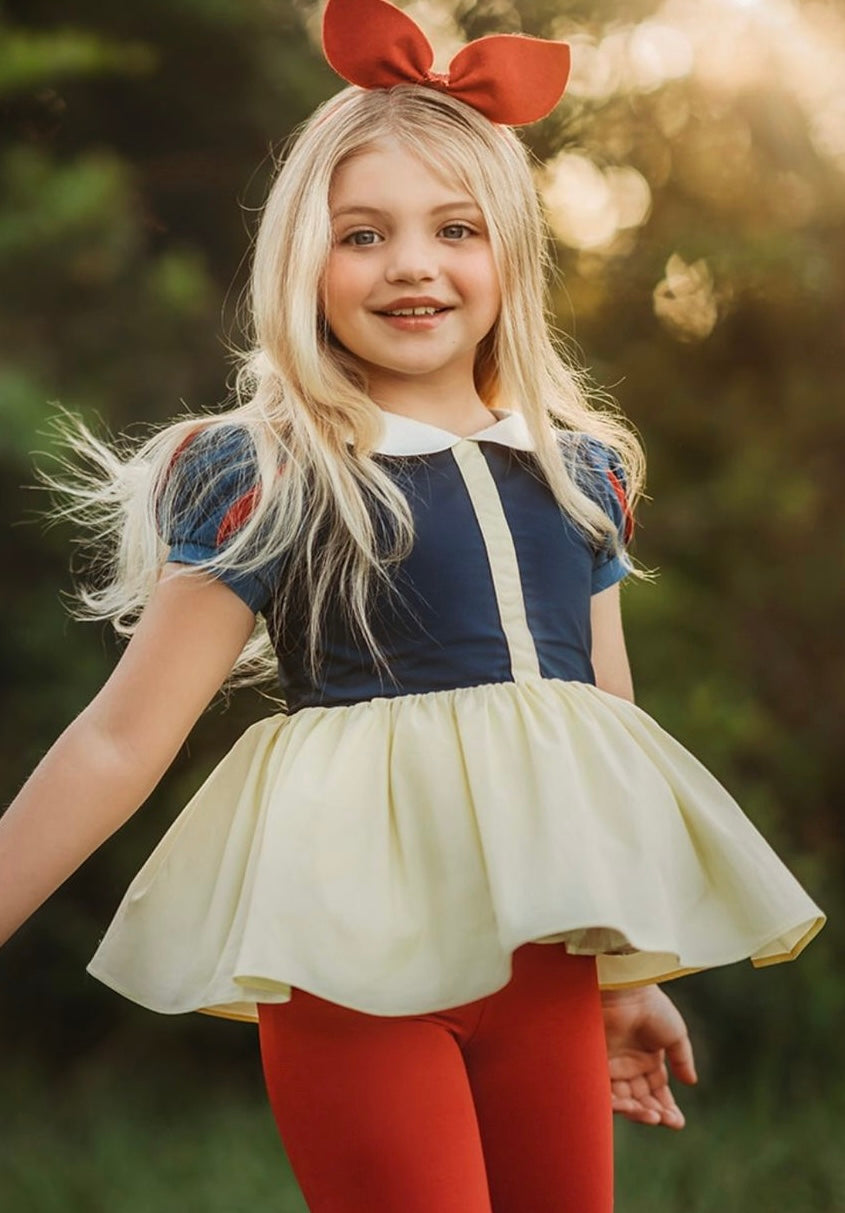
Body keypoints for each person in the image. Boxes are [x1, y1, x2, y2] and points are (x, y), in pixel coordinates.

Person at [0, 0, 825, 1210]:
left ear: (509, 256)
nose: (412, 265)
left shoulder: (576, 469)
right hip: (351, 968)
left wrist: (616, 970)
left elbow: (597, 717)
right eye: (361, 234)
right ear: (301, 260)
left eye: (454, 228)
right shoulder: (271, 468)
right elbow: (123, 737)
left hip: (541, 971)